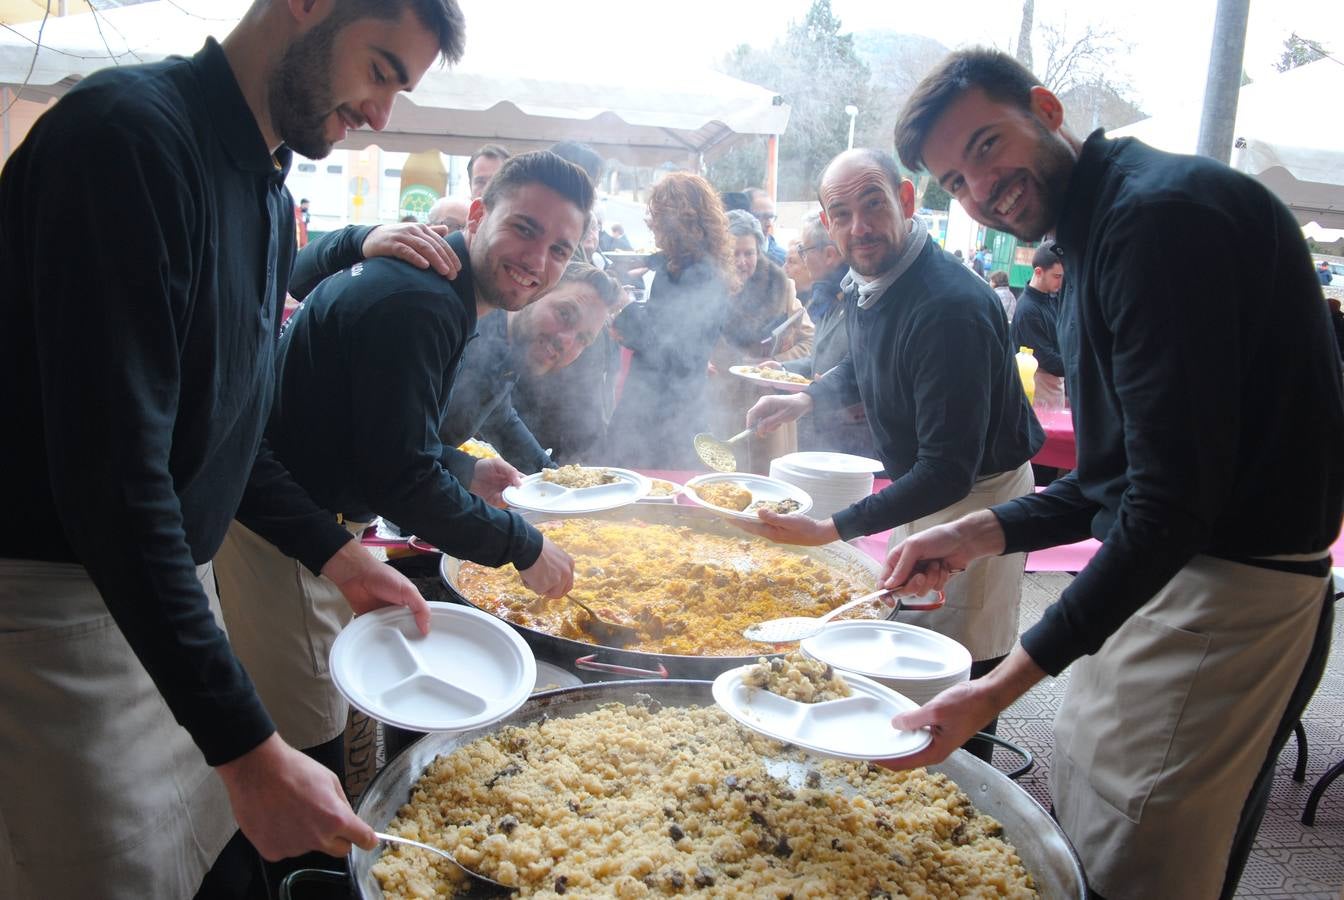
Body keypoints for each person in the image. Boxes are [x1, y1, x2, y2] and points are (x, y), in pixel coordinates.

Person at [0, 1, 464, 897]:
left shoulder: (264, 183)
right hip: (55, 625)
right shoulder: (125, 140)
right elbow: (115, 485)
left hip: (168, 601)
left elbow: (221, 433)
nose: (382, 116)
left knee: (214, 871)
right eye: (380, 70)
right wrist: (250, 750)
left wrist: (336, 555)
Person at [884, 47, 1343, 900]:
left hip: (1232, 593)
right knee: (1087, 806)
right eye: (955, 179)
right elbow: (1117, 480)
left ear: (1046, 108)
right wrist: (977, 531)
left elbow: (1169, 505)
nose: (981, 190)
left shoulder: (1156, 219)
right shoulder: (1100, 228)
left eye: (986, 145)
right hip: (1169, 576)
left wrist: (997, 686)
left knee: (1143, 856)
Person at [213, 150, 590, 807]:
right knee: (308, 734)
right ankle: (314, 866)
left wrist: (465, 469)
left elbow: (375, 435)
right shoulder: (420, 302)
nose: (538, 260)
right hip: (286, 528)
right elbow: (399, 479)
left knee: (334, 707)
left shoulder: (442, 293)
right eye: (525, 228)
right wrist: (522, 547)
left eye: (561, 248)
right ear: (478, 214)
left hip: (310, 513)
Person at [742, 148, 1042, 757]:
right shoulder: (872, 278)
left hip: (979, 493)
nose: (861, 227)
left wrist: (830, 527)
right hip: (931, 482)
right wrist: (809, 398)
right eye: (842, 213)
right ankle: (906, 758)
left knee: (959, 655)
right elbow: (870, 362)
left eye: (874, 204)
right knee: (907, 638)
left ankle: (964, 780)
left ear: (906, 200)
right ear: (827, 224)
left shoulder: (948, 308)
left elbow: (950, 469)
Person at [606, 172, 736, 468]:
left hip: (667, 416)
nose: (653, 227)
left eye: (658, 218)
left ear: (677, 222)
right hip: (657, 406)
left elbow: (666, 345)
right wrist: (646, 262)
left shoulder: (703, 275)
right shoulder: (682, 264)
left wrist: (623, 307)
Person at [707, 210, 814, 472]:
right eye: (735, 254)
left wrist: (775, 362)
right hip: (723, 403)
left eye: (749, 253)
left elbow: (810, 343)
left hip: (770, 408)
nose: (743, 262)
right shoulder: (707, 295)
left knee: (769, 486)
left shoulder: (781, 288)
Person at [781, 213, 874, 456]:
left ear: (830, 255)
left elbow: (861, 369)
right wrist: (781, 370)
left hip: (852, 443)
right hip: (820, 436)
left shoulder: (862, 299)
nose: (802, 257)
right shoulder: (828, 298)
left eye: (804, 250)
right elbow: (819, 359)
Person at [1011, 243, 1066, 410]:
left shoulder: (1052, 298)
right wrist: (1078, 365)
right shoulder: (1027, 309)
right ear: (1038, 272)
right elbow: (1046, 358)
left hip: (1053, 384)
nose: (1061, 282)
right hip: (1036, 386)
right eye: (1057, 276)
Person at [745, 186, 787, 265]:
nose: (769, 224)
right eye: (762, 216)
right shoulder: (726, 257)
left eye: (771, 217)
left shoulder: (784, 260)